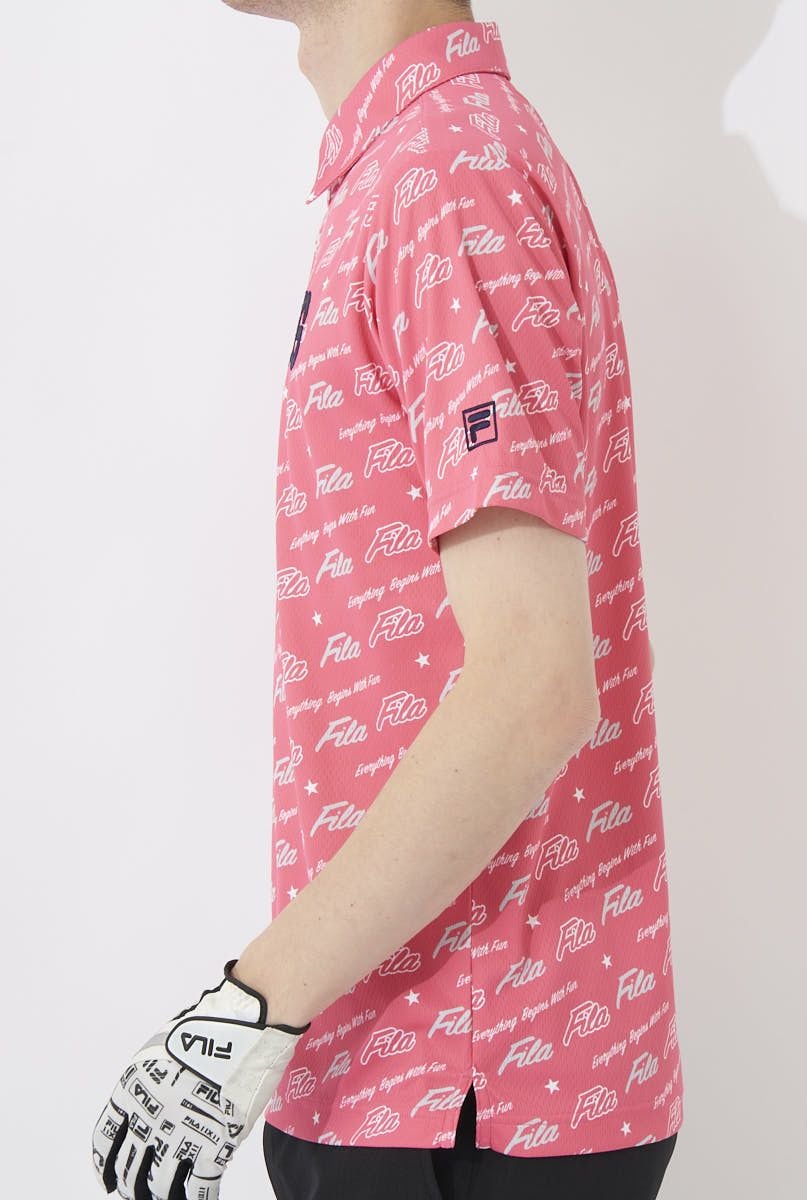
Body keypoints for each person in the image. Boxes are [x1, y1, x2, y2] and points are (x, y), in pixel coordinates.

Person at [90, 3, 685, 1198]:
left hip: (467, 1088)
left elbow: (532, 685)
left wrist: (250, 1004)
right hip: (411, 1074)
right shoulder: (421, 165)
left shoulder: (450, 173)